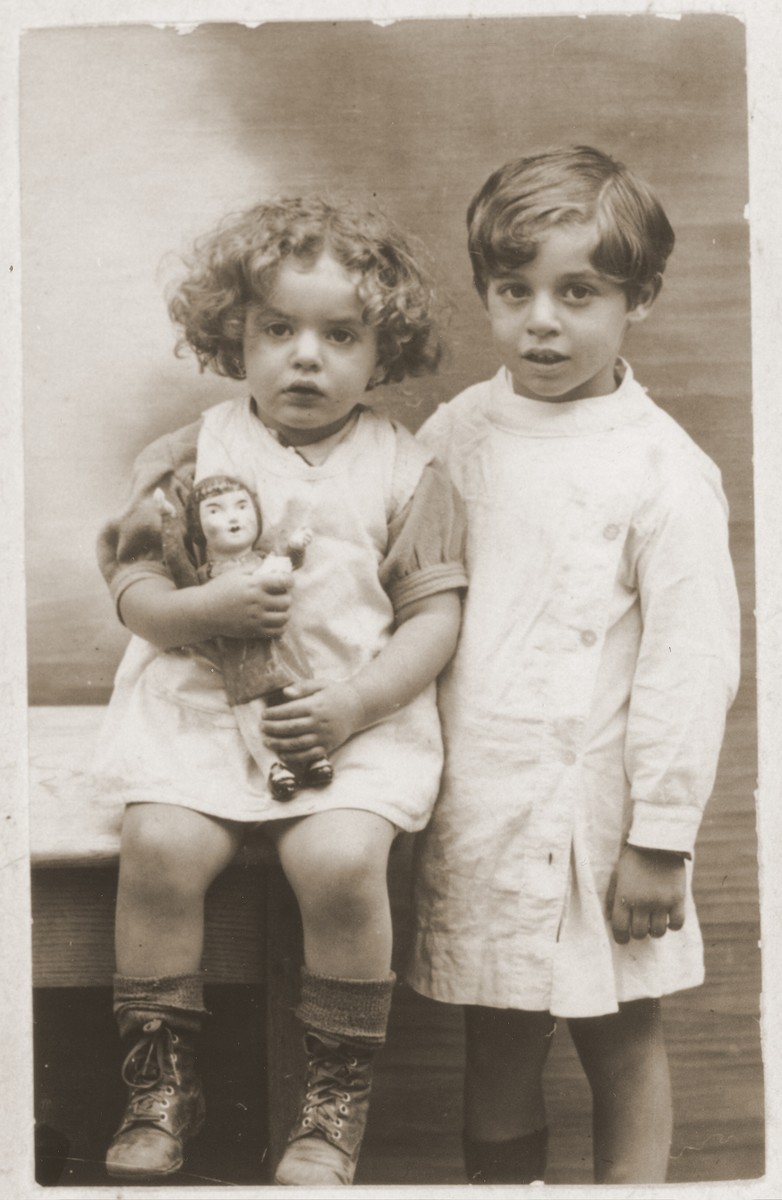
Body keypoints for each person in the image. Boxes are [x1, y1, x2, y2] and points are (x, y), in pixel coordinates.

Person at [93, 195, 467, 1186]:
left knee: (342, 863)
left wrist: (356, 704)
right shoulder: (187, 457)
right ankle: (161, 1082)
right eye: (277, 329)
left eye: (339, 335)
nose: (307, 356)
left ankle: (332, 1103)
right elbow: (135, 594)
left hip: (347, 720)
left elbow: (432, 620)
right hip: (202, 710)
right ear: (233, 335)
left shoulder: (407, 470)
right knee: (160, 843)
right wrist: (204, 610)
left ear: (381, 351)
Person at [406, 146, 741, 1186]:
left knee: (621, 1028)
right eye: (514, 292)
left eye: (577, 292)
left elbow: (692, 669)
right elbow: (404, 594)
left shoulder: (663, 469)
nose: (540, 321)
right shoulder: (453, 434)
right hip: (482, 799)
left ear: (636, 298)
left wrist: (659, 839)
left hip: (599, 814)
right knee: (496, 1028)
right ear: (486, 296)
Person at [154, 474, 334, 799]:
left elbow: (286, 564)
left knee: (295, 697)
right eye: (215, 511)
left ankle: (313, 758)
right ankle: (273, 768)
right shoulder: (205, 576)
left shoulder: (263, 560)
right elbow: (178, 564)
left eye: (241, 506)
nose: (233, 517)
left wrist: (295, 547)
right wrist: (168, 522)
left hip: (281, 650)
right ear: (197, 527)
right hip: (240, 657)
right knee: (252, 710)